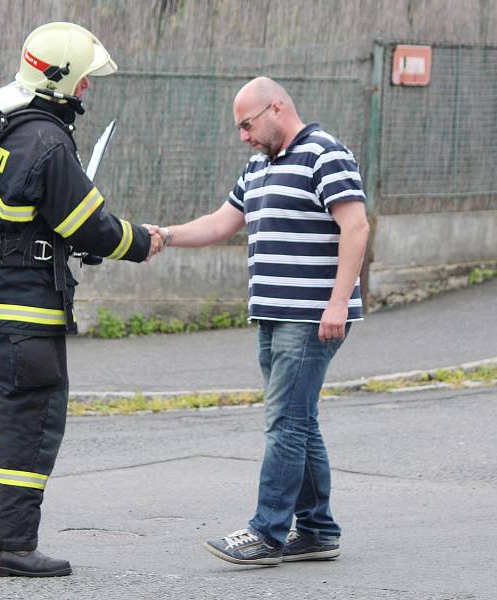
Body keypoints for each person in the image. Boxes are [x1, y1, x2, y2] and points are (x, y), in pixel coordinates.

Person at [0, 22, 162, 578]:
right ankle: (12, 546)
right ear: (61, 80)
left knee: (17, 401)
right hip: (22, 306)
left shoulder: (4, 123)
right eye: (83, 80)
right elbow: (91, 227)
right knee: (34, 412)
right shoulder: (47, 141)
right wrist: (142, 241)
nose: (87, 90)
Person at [146, 76, 369, 566]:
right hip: (273, 314)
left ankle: (267, 532)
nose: (243, 136)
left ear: (276, 108)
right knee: (299, 421)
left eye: (247, 125)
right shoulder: (259, 166)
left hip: (309, 316)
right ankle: (317, 530)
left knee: (285, 423)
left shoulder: (325, 154)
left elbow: (355, 226)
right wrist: (164, 235)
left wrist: (336, 303)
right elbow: (223, 222)